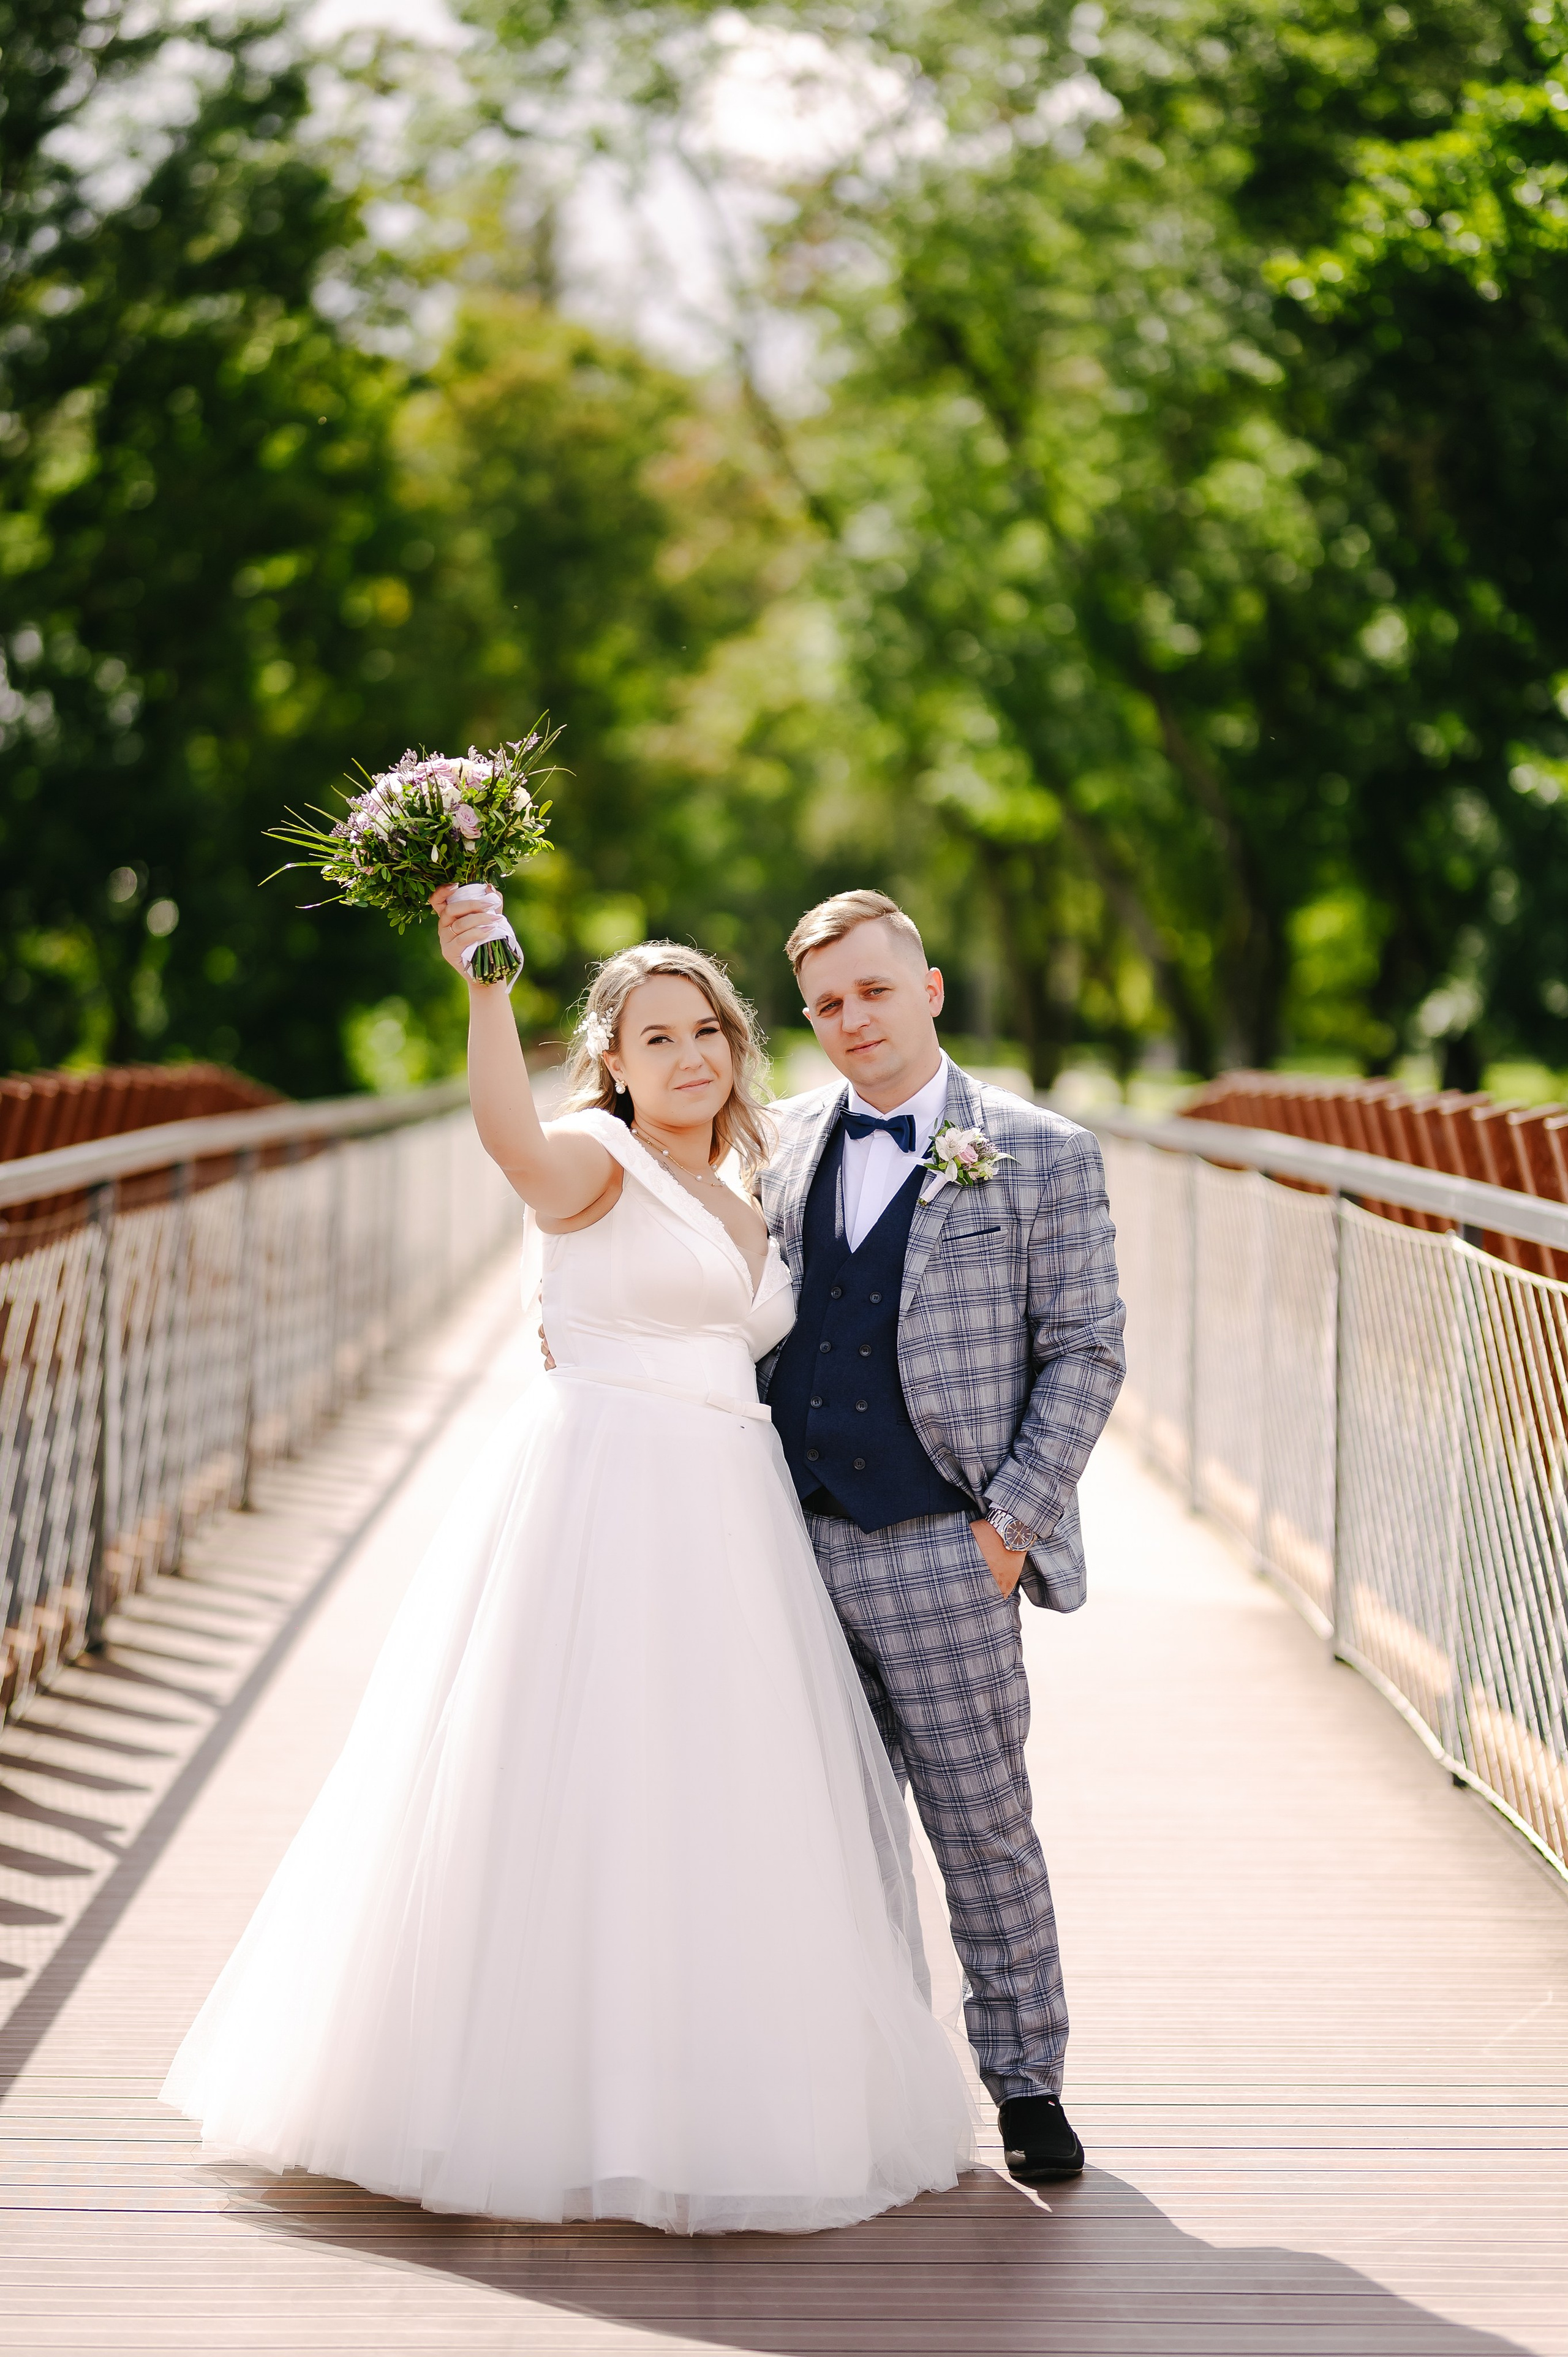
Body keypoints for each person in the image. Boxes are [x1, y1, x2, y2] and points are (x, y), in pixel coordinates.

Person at [160, 886, 973, 2235]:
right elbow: (504, 1141)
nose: (687, 1056)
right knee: (570, 1786)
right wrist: (484, 986)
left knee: (713, 1802)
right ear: (611, 1060)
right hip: (604, 1487)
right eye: (653, 1037)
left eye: (703, 1028)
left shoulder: (747, 1183)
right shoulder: (594, 1161)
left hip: (728, 1505)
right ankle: (529, 2098)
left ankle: (705, 2090)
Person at [757, 889, 1125, 2187]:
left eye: (870, 989)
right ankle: (856, 2081)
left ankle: (1026, 2085)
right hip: (789, 1546)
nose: (850, 1018)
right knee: (820, 1832)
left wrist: (1008, 1527)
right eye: (824, 1004)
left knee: (981, 1831)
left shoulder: (1035, 1149)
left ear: (926, 988)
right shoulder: (779, 1142)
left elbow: (1086, 1348)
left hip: (945, 1548)